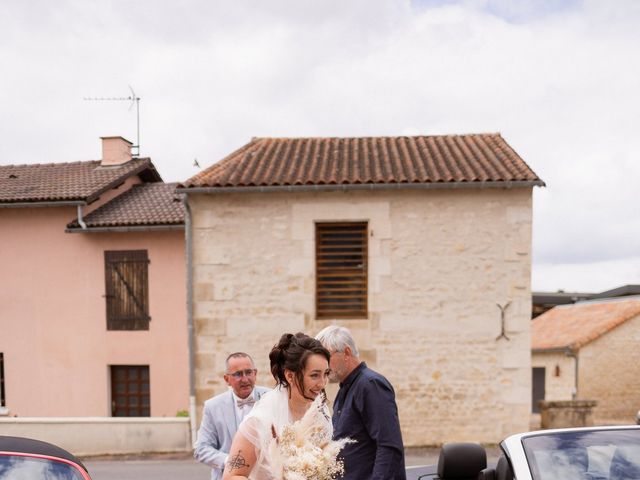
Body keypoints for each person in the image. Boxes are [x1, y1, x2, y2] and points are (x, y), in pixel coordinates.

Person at [222, 332, 332, 480]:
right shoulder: (260, 420)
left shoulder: (321, 411)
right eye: (314, 375)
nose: (322, 383)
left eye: (326, 374)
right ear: (290, 376)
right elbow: (231, 476)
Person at [316, 325, 406, 480]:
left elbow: (388, 446)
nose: (323, 366)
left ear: (346, 353)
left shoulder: (370, 385)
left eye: (326, 358)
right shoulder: (346, 388)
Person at [195, 352, 270, 480]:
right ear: (226, 379)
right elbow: (201, 449)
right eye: (238, 374)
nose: (245, 379)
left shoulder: (271, 398)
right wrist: (230, 462)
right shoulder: (213, 407)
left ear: (255, 374)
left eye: (248, 372)